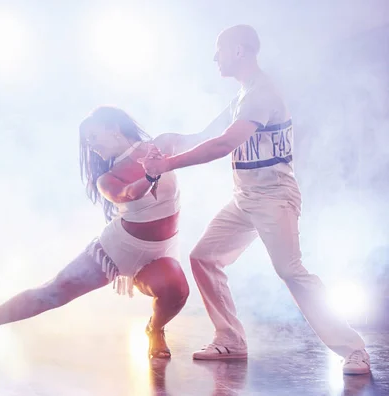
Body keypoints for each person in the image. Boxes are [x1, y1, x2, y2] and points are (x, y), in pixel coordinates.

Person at [139, 24, 370, 374]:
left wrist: (167, 164)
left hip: (274, 197)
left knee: (290, 270)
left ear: (239, 51)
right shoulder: (242, 95)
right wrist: (168, 142)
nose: (214, 57)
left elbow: (223, 144)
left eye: (220, 49)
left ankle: (354, 350)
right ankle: (230, 338)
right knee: (203, 257)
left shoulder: (262, 93)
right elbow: (205, 136)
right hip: (245, 199)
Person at [0, 105, 198, 358]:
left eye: (94, 136)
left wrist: (240, 106)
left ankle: (155, 329)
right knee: (50, 294)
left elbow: (209, 139)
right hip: (117, 250)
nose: (92, 146)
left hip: (160, 250)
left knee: (176, 288)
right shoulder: (106, 178)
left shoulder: (160, 146)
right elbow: (126, 194)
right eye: (88, 142)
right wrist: (151, 176)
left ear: (114, 128)